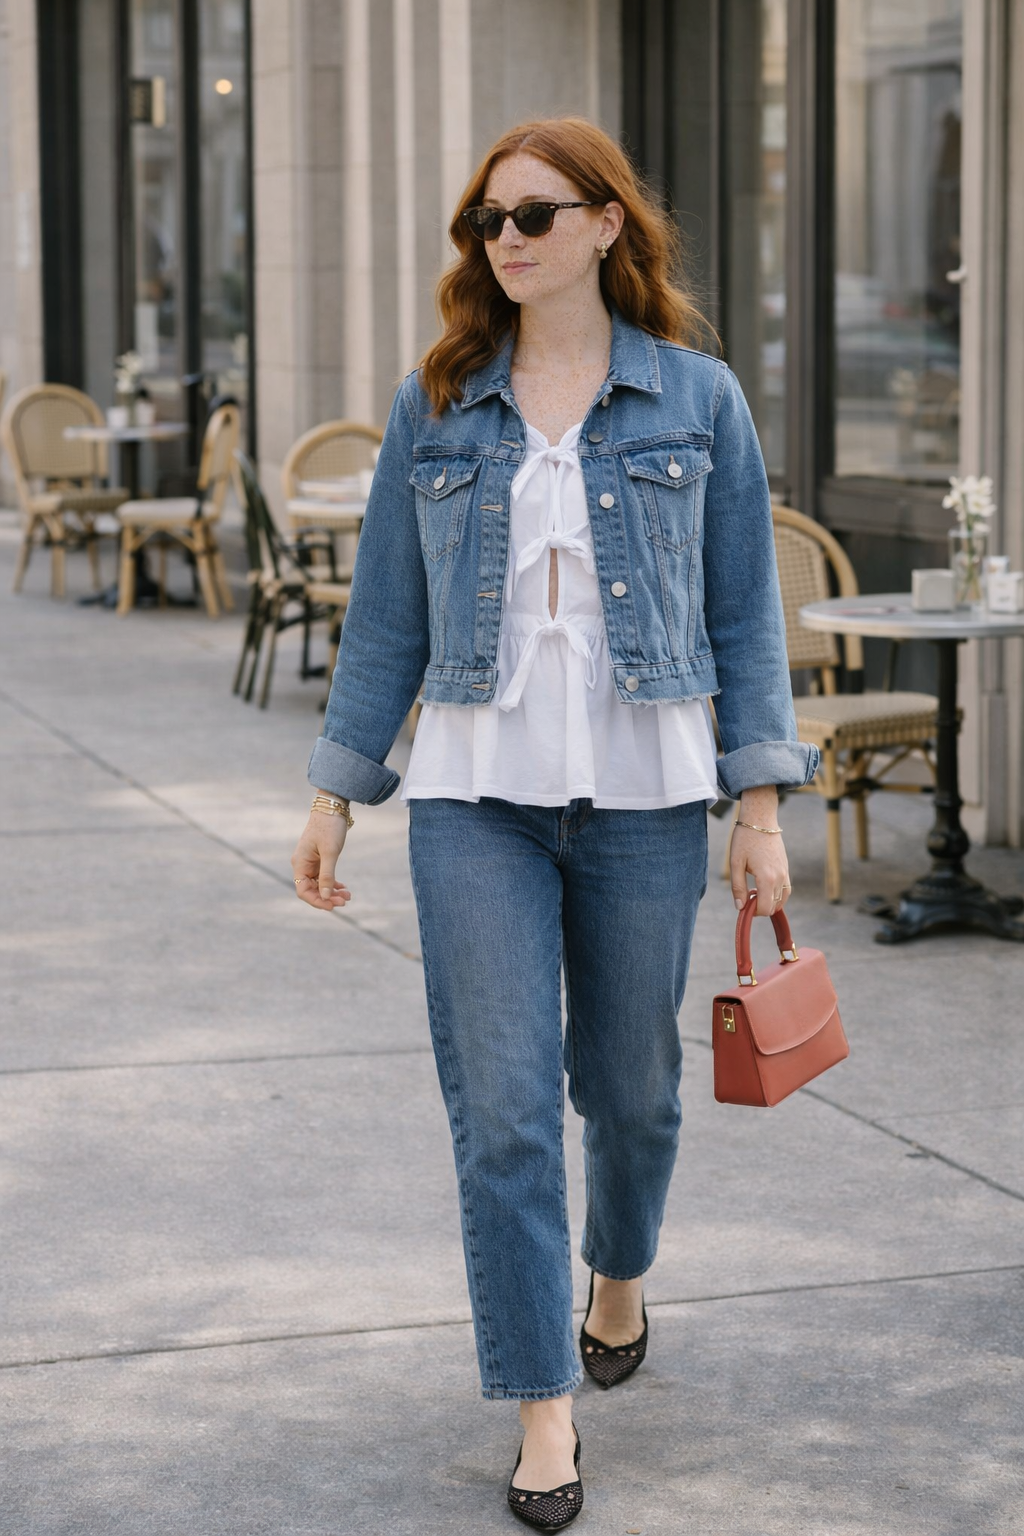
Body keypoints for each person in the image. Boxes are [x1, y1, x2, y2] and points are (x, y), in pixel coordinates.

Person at [291, 117, 818, 1530]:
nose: (506, 240)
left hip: (649, 800)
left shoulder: (696, 397)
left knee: (633, 1093)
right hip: (475, 804)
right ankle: (542, 1409)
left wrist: (760, 807)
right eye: (487, 221)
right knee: (507, 1115)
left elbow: (745, 614)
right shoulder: (439, 401)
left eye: (532, 215)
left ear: (604, 223)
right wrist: (337, 791)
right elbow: (387, 616)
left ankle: (620, 1272)